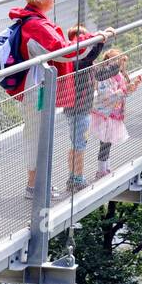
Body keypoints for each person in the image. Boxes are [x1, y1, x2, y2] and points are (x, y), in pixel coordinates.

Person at [8, 0, 116, 197]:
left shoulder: (30, 19)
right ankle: (34, 187)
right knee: (37, 136)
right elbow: (66, 51)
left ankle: (38, 183)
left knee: (38, 135)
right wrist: (96, 37)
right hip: (36, 89)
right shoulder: (36, 24)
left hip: (37, 87)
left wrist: (94, 38)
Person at [61, 23, 111, 192]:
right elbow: (92, 54)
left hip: (76, 108)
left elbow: (100, 73)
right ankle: (77, 179)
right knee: (79, 145)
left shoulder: (79, 60)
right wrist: (101, 40)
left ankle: (72, 177)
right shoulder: (79, 59)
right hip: (80, 109)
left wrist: (117, 65)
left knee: (76, 144)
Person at [89, 50, 141, 181]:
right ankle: (101, 170)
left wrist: (132, 87)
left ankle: (106, 167)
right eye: (115, 60)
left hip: (115, 114)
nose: (118, 63)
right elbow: (107, 96)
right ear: (107, 61)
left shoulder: (119, 76)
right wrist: (123, 90)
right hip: (106, 114)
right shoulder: (104, 77)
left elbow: (124, 93)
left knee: (109, 142)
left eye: (119, 60)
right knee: (105, 142)